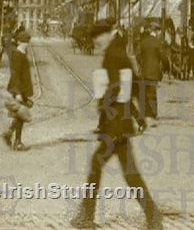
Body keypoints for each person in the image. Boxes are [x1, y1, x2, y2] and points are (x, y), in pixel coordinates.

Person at [70, 20, 162, 230]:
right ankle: (153, 216)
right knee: (130, 173)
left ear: (107, 34)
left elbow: (115, 87)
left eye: (97, 37)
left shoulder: (112, 54)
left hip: (114, 124)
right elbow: (135, 85)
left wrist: (102, 105)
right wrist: (141, 115)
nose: (96, 42)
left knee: (97, 165)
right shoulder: (119, 52)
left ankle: (86, 217)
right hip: (121, 122)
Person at [3, 28, 33, 150]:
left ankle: (11, 135)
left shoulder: (20, 54)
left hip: (22, 89)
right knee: (21, 115)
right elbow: (15, 75)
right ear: (20, 42)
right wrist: (18, 93)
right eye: (26, 42)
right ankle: (17, 141)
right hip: (19, 89)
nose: (28, 44)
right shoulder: (18, 55)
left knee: (20, 115)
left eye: (28, 42)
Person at [136, 25, 164, 124]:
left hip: (144, 71)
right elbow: (162, 56)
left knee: (144, 92)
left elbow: (138, 55)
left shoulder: (144, 42)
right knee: (152, 93)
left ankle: (145, 113)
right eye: (159, 31)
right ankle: (152, 114)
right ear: (156, 31)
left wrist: (142, 63)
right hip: (154, 71)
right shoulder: (158, 42)